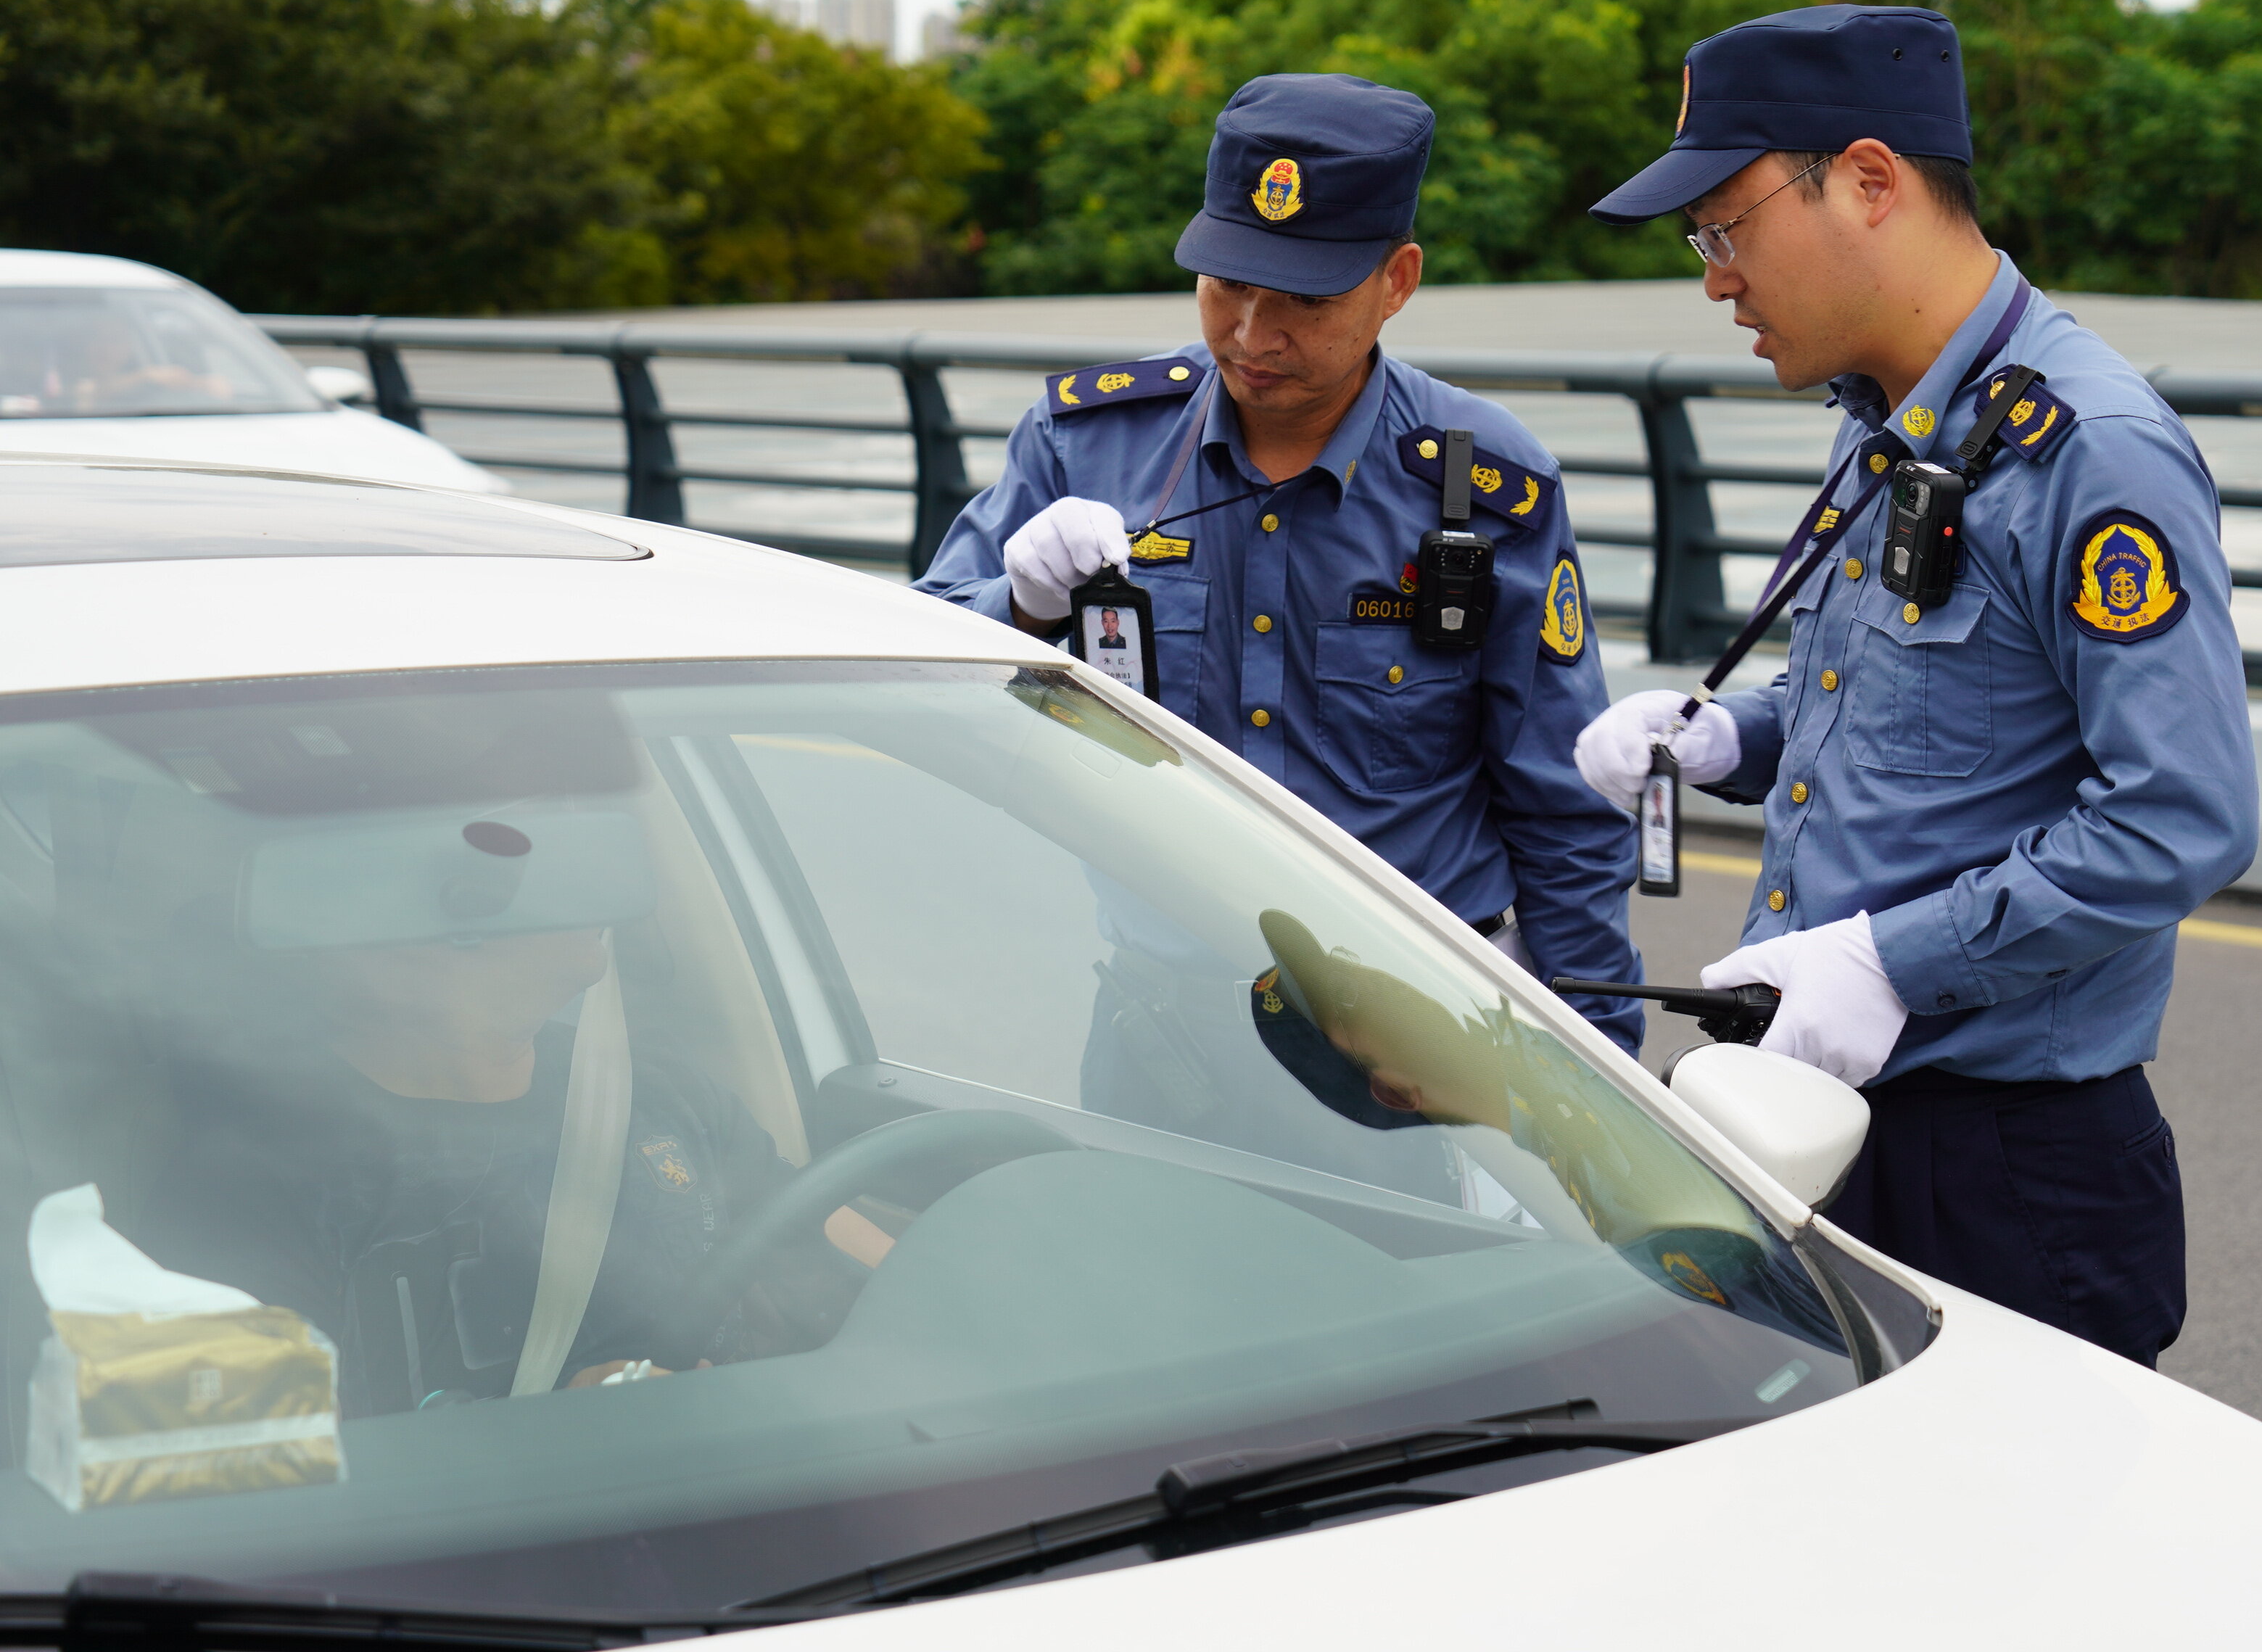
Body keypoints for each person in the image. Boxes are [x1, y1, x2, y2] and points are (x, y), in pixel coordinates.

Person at [1573, 5, 2258, 1367]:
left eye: (1723, 226)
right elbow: (1912, 714)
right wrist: (1730, 739)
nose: (1712, 279)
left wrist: (1891, 958)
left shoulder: (2089, 450)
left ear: (1869, 182)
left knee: (2016, 1563)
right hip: (1828, 1122)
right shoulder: (1894, 417)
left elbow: (2180, 817)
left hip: (2004, 1164)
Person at [915, 73, 1645, 1052]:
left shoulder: (1486, 486)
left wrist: (1595, 1069)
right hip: (1161, 1016)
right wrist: (1023, 602)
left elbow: (1565, 803)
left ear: (1398, 281)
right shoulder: (1085, 443)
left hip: (1410, 1037)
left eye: (1303, 297)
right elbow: (922, 665)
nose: (1254, 335)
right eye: (1228, 285)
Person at [138, 920, 887, 1415]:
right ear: (375, 940)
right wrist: (543, 1442)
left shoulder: (664, 1093)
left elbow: (887, 1268)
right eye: (517, 857)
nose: (578, 881)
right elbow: (262, 1490)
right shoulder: (247, 1183)